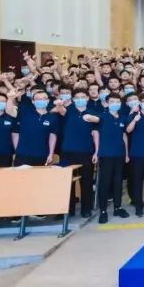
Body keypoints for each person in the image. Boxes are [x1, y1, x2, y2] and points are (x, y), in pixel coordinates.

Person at [57, 89, 100, 218]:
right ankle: (67, 209)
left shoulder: (92, 112)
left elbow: (96, 133)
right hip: (67, 151)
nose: (80, 99)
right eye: (77, 97)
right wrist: (59, 104)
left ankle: (86, 209)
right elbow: (60, 110)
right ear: (73, 99)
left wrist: (96, 151)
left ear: (87, 98)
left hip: (86, 151)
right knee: (66, 182)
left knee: (86, 182)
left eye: (83, 96)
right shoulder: (68, 110)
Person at [96, 94, 130, 223]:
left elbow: (124, 136)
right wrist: (97, 152)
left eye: (117, 101)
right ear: (107, 103)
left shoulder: (122, 117)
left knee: (118, 183)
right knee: (104, 183)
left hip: (120, 155)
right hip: (105, 155)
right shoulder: (101, 117)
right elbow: (96, 133)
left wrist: (126, 154)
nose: (115, 103)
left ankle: (118, 207)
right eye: (112, 101)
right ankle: (103, 211)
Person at [14, 90, 58, 166]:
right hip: (23, 154)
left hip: (42, 154)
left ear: (48, 101)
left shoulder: (52, 117)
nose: (41, 100)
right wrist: (17, 149)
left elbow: (52, 136)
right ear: (33, 101)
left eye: (44, 98)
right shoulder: (24, 113)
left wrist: (51, 154)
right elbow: (15, 132)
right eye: (38, 99)